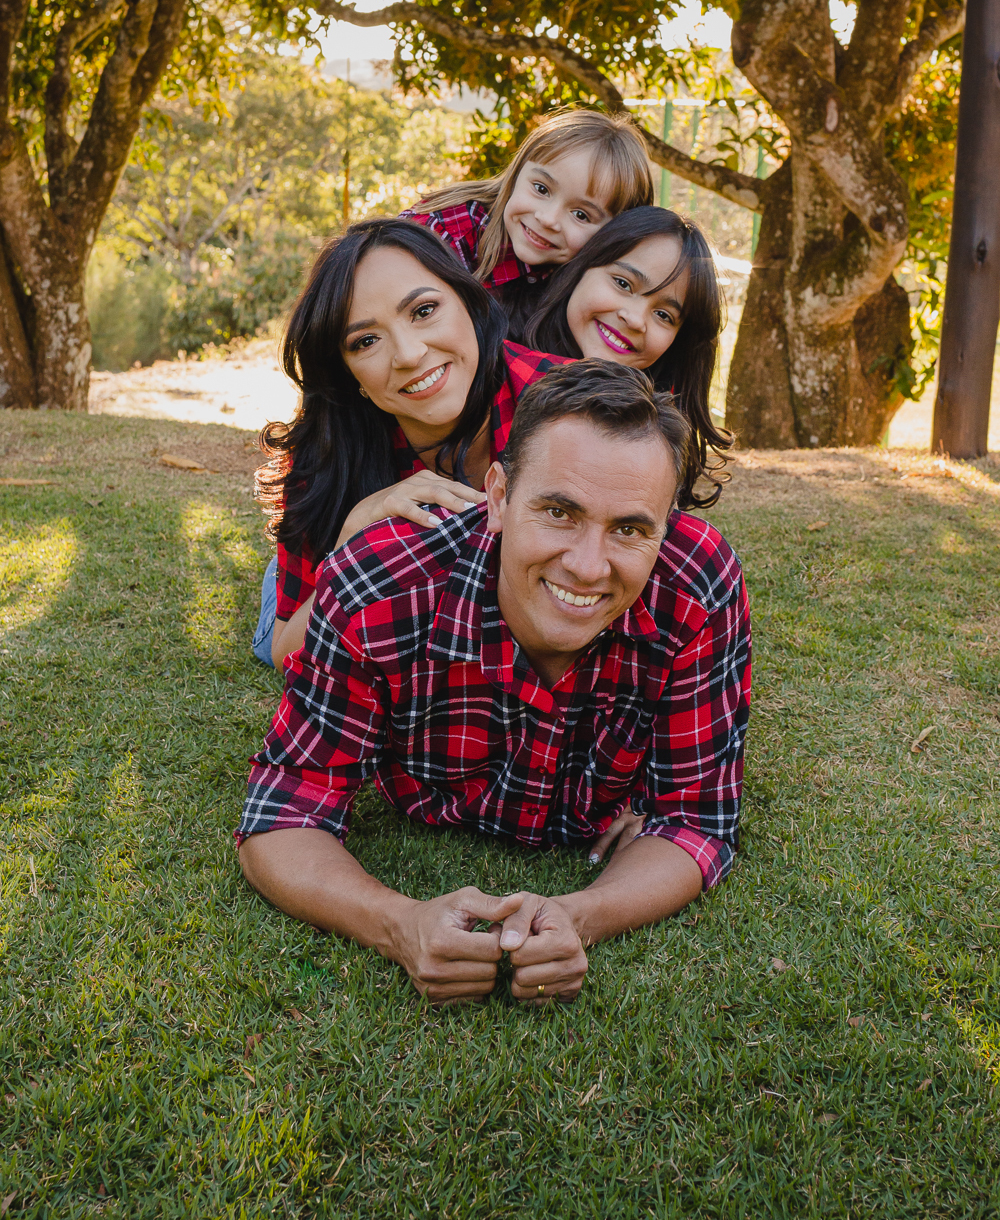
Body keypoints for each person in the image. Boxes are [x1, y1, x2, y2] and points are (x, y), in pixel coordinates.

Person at [238, 361, 751, 1007]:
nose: (589, 566)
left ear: (665, 525)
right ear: (500, 496)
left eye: (629, 528)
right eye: (559, 511)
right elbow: (282, 813)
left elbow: (697, 820)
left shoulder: (698, 584)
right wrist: (399, 925)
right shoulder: (378, 587)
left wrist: (583, 914)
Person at [252, 218, 570, 671]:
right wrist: (354, 536)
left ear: (467, 300)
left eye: (423, 311)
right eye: (365, 341)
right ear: (347, 373)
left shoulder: (559, 402)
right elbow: (288, 652)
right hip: (334, 572)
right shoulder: (324, 455)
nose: (408, 354)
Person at [524, 205, 733, 508]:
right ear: (580, 268)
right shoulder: (492, 369)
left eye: (663, 314)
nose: (635, 319)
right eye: (623, 284)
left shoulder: (659, 430)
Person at [401, 110, 654, 339]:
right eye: (541, 189)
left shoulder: (594, 282)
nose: (548, 219)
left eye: (580, 215)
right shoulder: (445, 232)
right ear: (518, 172)